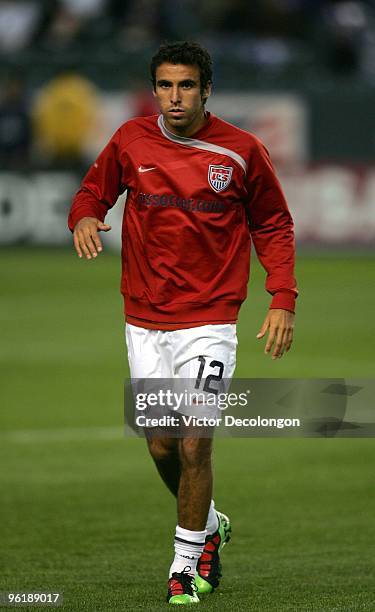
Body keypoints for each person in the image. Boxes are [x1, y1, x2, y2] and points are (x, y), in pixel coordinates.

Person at [68, 41, 297, 605]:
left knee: (196, 443)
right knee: (163, 447)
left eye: (187, 85)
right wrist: (86, 217)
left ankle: (185, 565)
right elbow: (92, 192)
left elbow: (274, 225)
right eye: (166, 85)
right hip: (144, 318)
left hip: (210, 320)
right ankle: (212, 522)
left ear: (207, 89)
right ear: (155, 91)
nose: (175, 96)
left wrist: (282, 297)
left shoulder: (243, 151)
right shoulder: (129, 139)